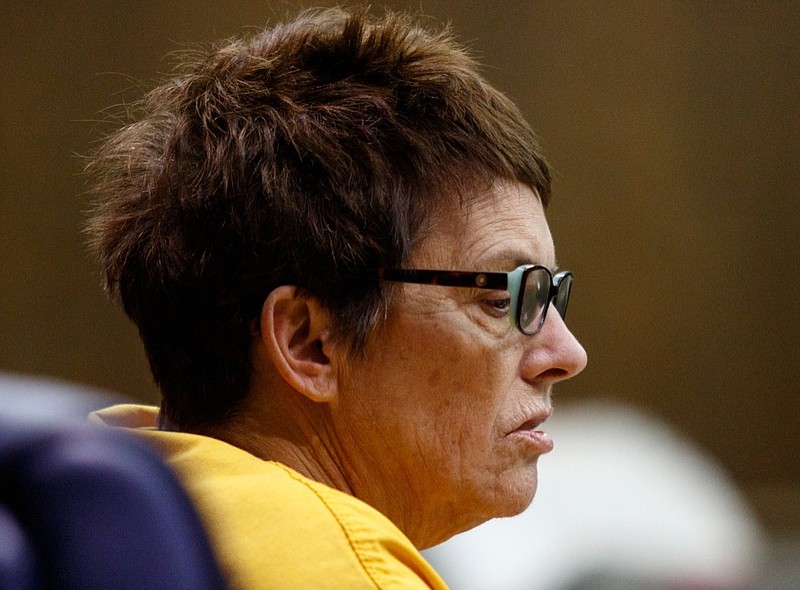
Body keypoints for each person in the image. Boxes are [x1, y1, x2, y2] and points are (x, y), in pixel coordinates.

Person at [86, 7, 587, 589]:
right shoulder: (340, 570)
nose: (566, 353)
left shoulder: (87, 505)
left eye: (550, 294)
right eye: (502, 299)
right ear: (309, 342)